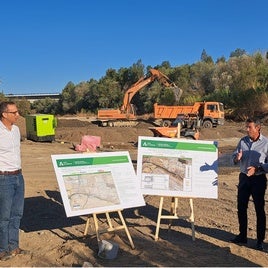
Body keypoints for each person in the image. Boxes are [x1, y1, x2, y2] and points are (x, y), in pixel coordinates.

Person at [231, 117, 268, 251]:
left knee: (259, 210)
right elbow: (233, 157)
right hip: (244, 178)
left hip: (258, 179)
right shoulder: (243, 141)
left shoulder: (266, 143)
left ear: (257, 128)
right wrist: (237, 158)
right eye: (246, 127)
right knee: (241, 207)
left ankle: (259, 240)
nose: (247, 130)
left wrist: (258, 169)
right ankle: (242, 236)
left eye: (249, 127)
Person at [0, 101, 29, 261]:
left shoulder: (16, 130)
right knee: (3, 216)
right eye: (15, 112)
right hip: (3, 178)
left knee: (16, 214)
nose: (18, 115)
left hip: (18, 176)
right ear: (5, 114)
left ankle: (14, 246)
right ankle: (2, 250)